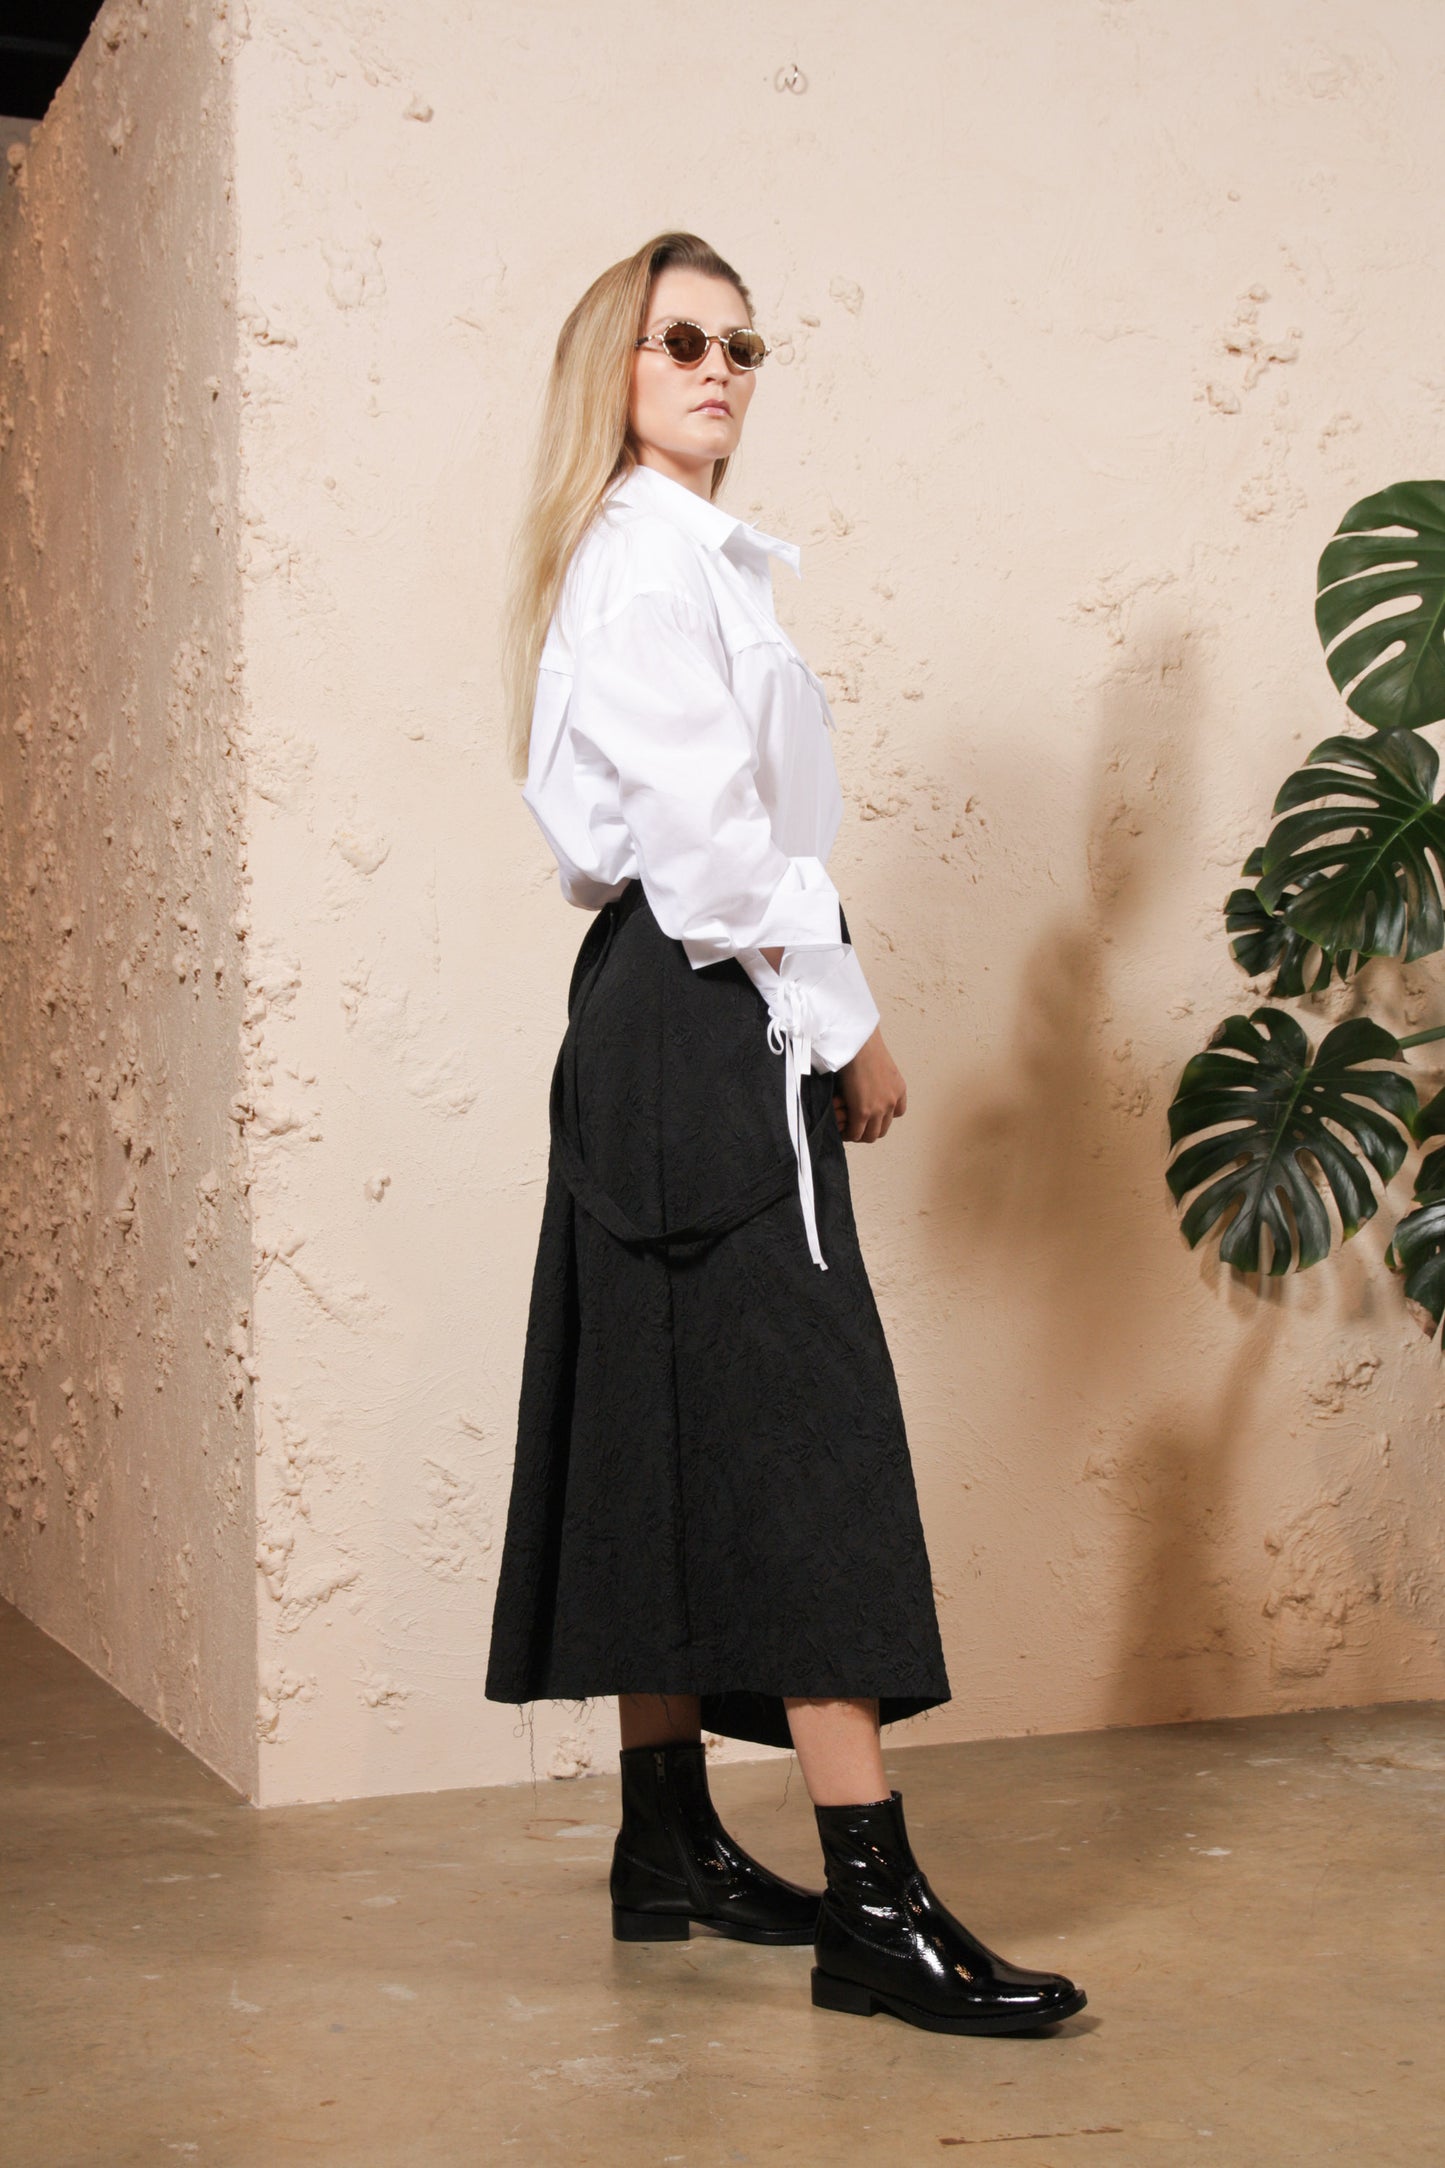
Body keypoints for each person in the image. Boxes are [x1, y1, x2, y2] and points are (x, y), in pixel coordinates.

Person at [484, 230, 1085, 2036]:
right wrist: (847, 1019)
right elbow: (710, 853)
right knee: (808, 1439)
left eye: (743, 346)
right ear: (613, 366)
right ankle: (872, 1910)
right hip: (699, 1008)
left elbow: (708, 836)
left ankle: (664, 1841)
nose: (720, 372)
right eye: (682, 341)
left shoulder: (685, 557)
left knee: (660, 1419)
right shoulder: (643, 565)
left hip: (663, 1013)